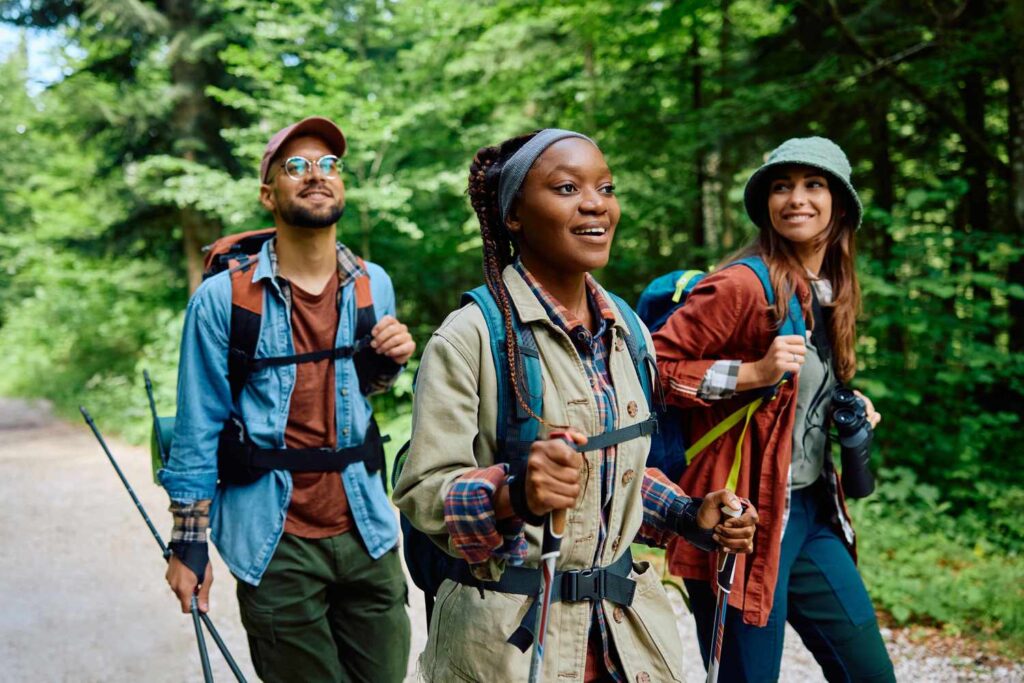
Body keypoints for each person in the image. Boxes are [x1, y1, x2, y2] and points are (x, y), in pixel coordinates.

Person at [393, 129, 759, 682]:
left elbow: (623, 471)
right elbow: (424, 493)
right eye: (566, 187)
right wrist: (515, 494)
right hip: (509, 652)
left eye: (605, 187)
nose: (596, 203)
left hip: (626, 642)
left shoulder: (628, 331)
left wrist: (691, 514)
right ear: (513, 215)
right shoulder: (471, 338)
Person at [160, 116, 414, 682]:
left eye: (328, 165)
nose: (315, 175)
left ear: (342, 185)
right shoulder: (223, 300)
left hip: (367, 528)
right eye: (295, 166)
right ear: (268, 193)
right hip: (276, 543)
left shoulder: (375, 283)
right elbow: (199, 426)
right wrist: (189, 546)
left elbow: (362, 392)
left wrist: (382, 365)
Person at [654, 136, 896, 682]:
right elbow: (652, 373)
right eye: (781, 186)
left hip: (812, 511)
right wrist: (751, 374)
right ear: (765, 202)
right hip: (743, 515)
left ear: (840, 203)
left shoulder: (831, 288)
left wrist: (846, 402)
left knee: (871, 674)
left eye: (814, 185)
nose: (796, 199)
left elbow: (800, 391)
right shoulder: (741, 285)